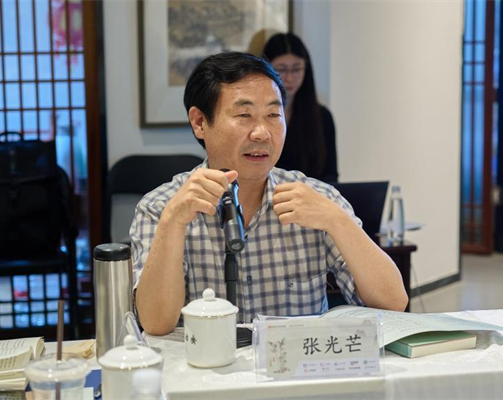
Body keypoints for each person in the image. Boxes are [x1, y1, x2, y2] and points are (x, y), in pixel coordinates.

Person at [130, 52, 407, 335]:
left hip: (297, 363)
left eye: (274, 115)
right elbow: (155, 322)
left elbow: (393, 302)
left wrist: (337, 221)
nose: (262, 133)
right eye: (244, 115)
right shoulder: (161, 207)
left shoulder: (318, 200)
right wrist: (173, 222)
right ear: (200, 122)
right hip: (205, 363)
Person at [262, 33, 338, 182]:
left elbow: (330, 175)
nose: (290, 78)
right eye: (281, 69)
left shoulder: (322, 117)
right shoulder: (256, 116)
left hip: (311, 194)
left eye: (296, 69)